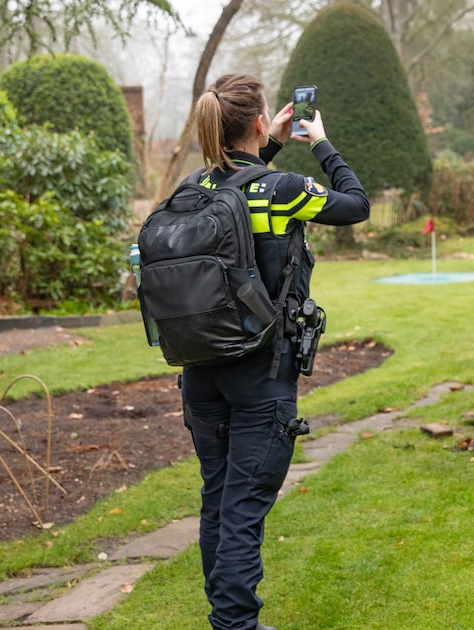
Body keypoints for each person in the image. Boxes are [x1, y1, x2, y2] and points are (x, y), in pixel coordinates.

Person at [180, 73, 369, 630]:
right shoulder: (284, 189)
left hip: (200, 371)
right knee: (243, 507)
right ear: (260, 122)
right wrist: (321, 143)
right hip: (260, 372)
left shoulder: (192, 190)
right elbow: (355, 204)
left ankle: (226, 616)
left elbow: (241, 183)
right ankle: (234, 624)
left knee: (219, 497)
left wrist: (271, 143)